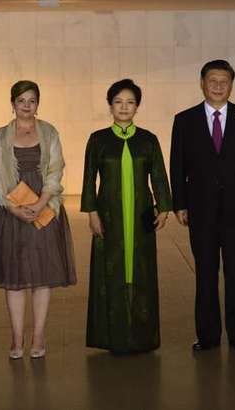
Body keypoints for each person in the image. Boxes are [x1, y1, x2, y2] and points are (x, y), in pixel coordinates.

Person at [170, 60, 235, 352]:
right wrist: (180, 203)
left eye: (224, 81)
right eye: (212, 80)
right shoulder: (185, 120)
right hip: (200, 210)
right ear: (202, 83)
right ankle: (208, 336)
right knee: (205, 273)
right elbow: (177, 165)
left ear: (231, 84)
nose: (217, 86)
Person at [0, 80, 76, 359]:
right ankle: (17, 337)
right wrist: (13, 208)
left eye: (32, 101)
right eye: (21, 100)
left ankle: (39, 335)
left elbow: (56, 169)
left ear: (38, 104)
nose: (26, 106)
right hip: (11, 213)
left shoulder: (49, 132)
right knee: (15, 277)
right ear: (12, 103)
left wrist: (41, 202)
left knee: (43, 276)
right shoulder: (0, 136)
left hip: (44, 210)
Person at [82, 79, 172, 354]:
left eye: (130, 102)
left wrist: (164, 206)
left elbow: (158, 175)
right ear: (110, 105)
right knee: (111, 273)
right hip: (108, 216)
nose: (124, 107)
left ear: (137, 107)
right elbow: (88, 180)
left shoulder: (148, 139)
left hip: (141, 215)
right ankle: (113, 336)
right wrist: (91, 212)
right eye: (118, 102)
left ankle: (142, 337)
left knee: (141, 273)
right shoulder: (98, 139)